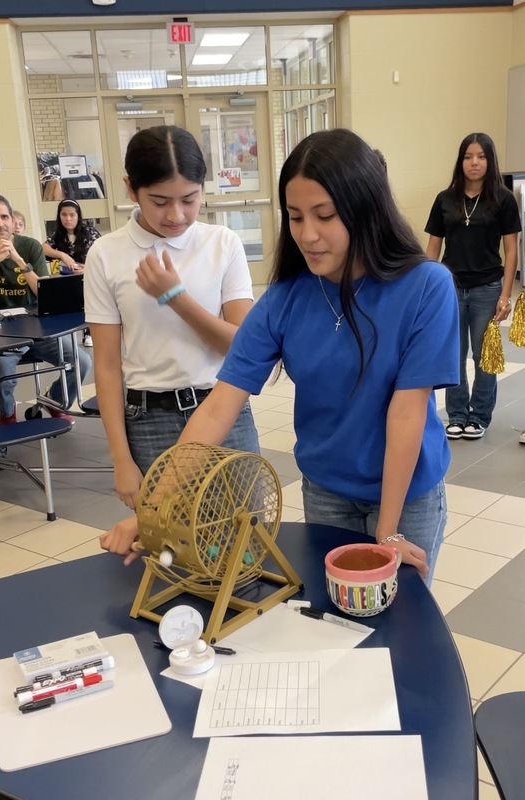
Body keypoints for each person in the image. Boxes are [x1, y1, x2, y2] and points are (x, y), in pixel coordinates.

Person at [99, 128, 459, 586]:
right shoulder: (285, 298)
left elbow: (406, 413)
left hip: (407, 497)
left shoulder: (426, 286)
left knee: (396, 613)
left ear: (365, 209)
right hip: (327, 491)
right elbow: (217, 409)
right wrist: (154, 510)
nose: (308, 235)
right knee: (335, 613)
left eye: (324, 216)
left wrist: (387, 532)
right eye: (295, 217)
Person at [84, 124, 259, 511]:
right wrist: (120, 459)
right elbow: (107, 365)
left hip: (224, 405)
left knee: (248, 531)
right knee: (167, 536)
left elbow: (242, 346)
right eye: (160, 201)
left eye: (189, 199)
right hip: (150, 418)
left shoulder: (222, 243)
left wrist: (174, 297)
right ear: (131, 189)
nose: (177, 215)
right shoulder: (106, 254)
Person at [425, 132, 521, 441]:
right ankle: (456, 414)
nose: (474, 162)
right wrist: (426, 288)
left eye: (481, 157)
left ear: (490, 161)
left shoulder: (503, 199)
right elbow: (433, 248)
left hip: (488, 288)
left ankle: (479, 415)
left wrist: (506, 295)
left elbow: (511, 250)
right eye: (468, 157)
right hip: (450, 289)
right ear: (461, 161)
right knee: (453, 355)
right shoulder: (445, 199)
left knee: (484, 356)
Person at [0, 194, 91, 425]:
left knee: (82, 362)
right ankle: (8, 412)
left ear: (13, 220)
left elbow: (43, 293)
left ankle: (55, 401)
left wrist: (19, 261)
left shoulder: (30, 246)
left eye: (4, 217)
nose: (0, 223)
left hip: (36, 328)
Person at [42, 199, 100, 347]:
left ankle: (89, 332)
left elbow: (103, 257)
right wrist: (62, 255)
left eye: (72, 215)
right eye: (64, 215)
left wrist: (86, 269)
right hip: (68, 277)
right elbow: (43, 248)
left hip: (89, 275)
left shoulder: (90, 232)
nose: (68, 219)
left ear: (78, 216)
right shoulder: (58, 234)